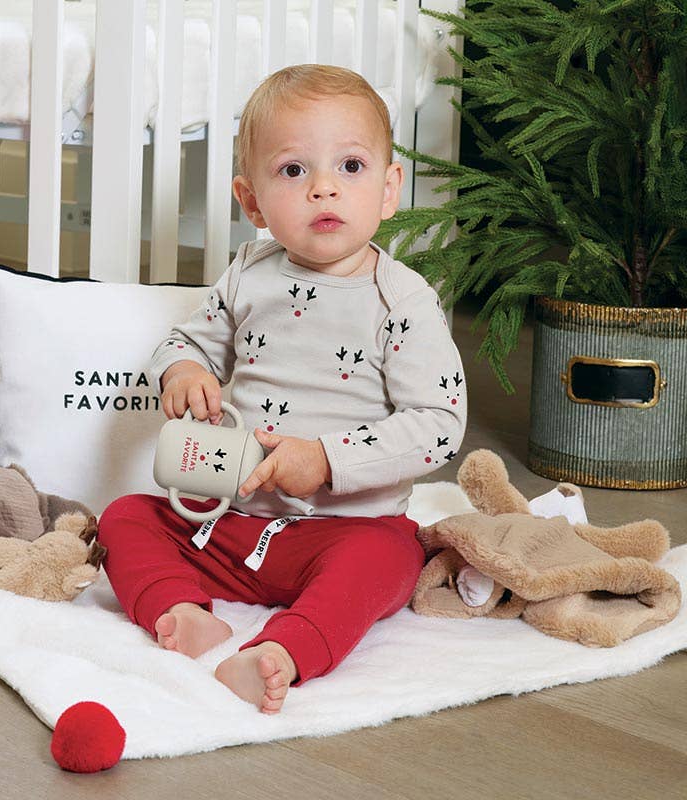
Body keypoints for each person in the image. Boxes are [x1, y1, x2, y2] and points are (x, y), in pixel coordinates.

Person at [98, 64, 467, 714]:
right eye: (294, 171)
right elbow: (187, 341)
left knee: (390, 560)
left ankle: (282, 651)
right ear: (252, 202)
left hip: (344, 531)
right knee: (124, 517)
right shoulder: (247, 274)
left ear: (388, 190)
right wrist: (184, 372)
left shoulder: (401, 301)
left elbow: (437, 422)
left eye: (350, 167)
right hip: (230, 523)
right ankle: (181, 611)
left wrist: (325, 460)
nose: (324, 188)